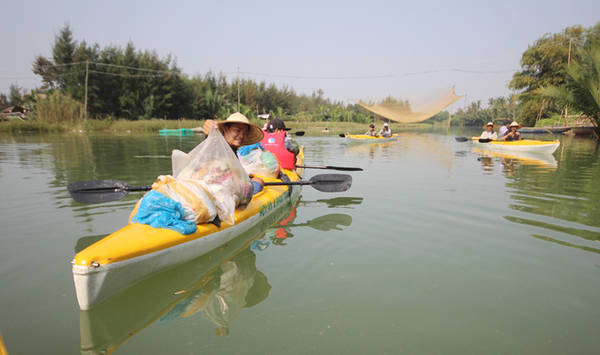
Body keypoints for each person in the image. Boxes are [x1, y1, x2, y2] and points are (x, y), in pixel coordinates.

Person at [202, 112, 266, 192]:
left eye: (244, 133)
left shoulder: (233, 149)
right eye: (237, 130)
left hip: (228, 188)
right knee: (258, 181)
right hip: (220, 191)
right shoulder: (218, 145)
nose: (241, 136)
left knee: (255, 179)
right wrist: (209, 132)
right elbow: (211, 142)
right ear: (226, 129)